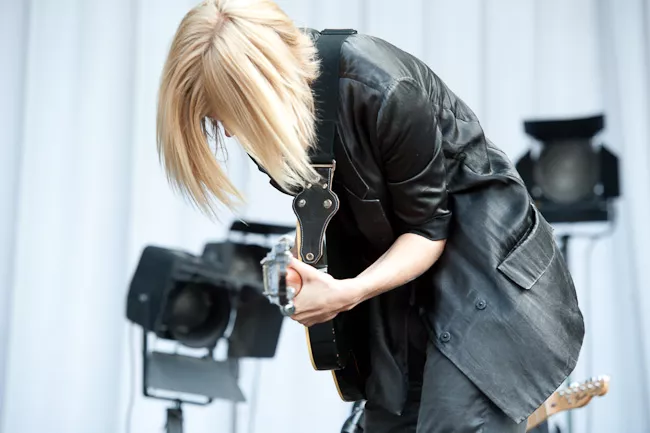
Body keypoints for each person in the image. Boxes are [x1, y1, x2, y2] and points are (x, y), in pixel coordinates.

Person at [156, 1, 585, 432]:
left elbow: (428, 230)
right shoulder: (275, 123)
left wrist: (348, 292)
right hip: (404, 297)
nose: (229, 132)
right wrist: (307, 271)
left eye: (224, 116)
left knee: (453, 421)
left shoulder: (384, 88)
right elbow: (340, 211)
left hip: (487, 283)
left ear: (257, 88)